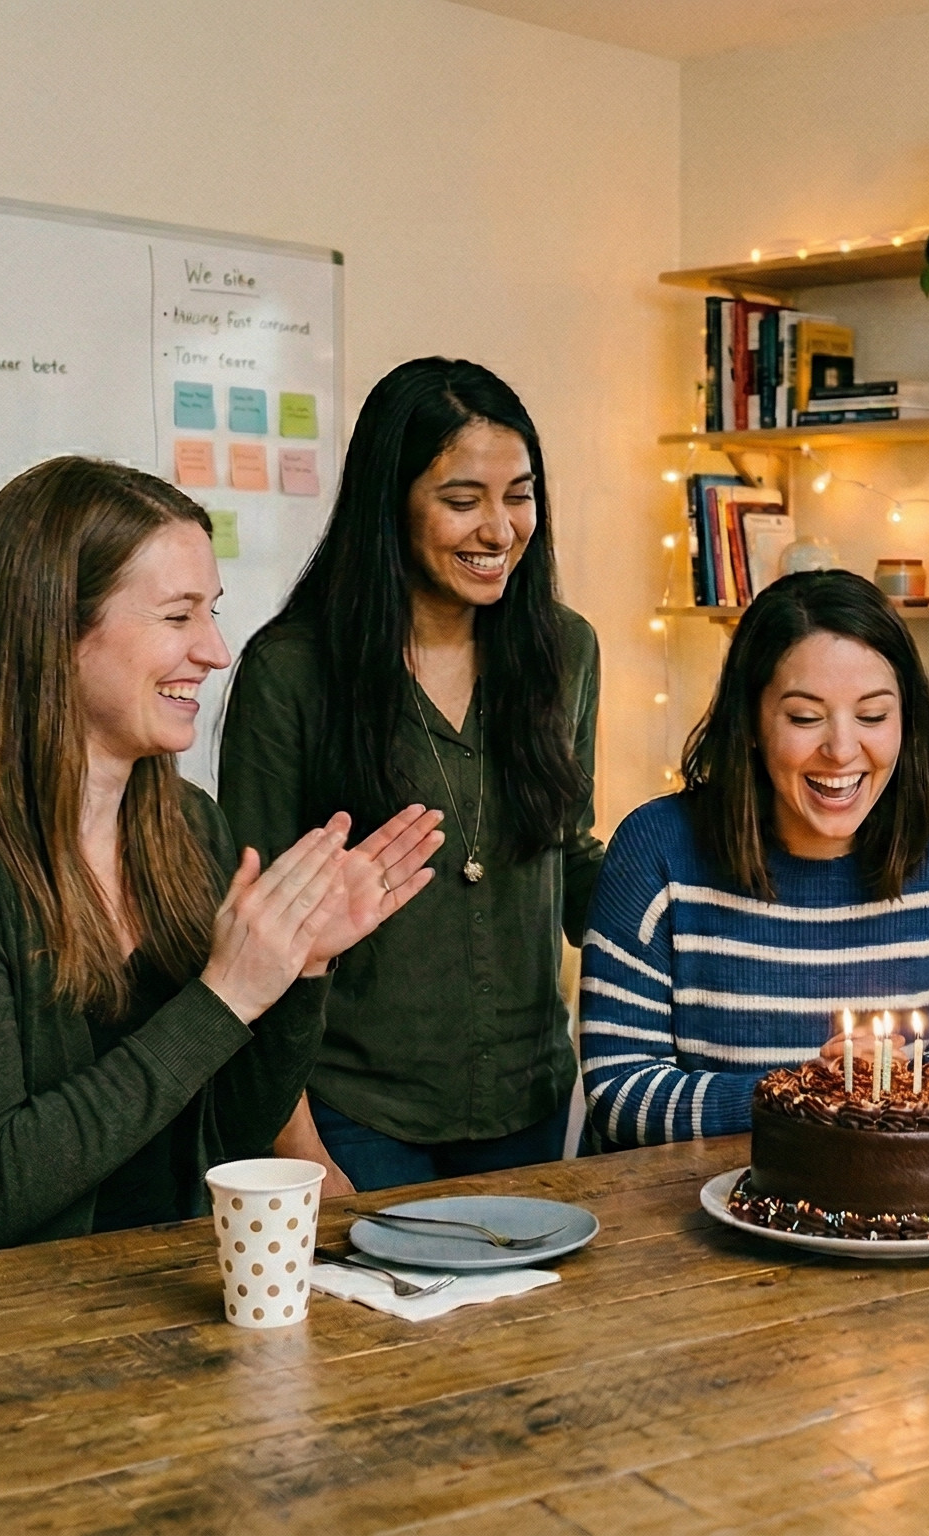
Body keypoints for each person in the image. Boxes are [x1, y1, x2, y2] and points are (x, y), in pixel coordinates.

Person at [0, 457, 443, 1279]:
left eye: (212, 612)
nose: (215, 651)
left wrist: (301, 970)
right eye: (178, 616)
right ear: (55, 631)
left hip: (140, 1296)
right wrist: (225, 996)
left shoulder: (187, 828)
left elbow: (228, 1137)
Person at [220, 358, 602, 1193]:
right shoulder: (290, 671)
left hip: (532, 1105)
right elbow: (252, 929)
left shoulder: (565, 651)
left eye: (520, 495)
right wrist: (297, 1150)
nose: (499, 530)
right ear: (389, 503)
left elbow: (572, 857)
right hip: (355, 1118)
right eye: (462, 501)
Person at [580, 571, 929, 1145]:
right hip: (690, 1198)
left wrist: (898, 1082)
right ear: (751, 722)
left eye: (873, 716)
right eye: (805, 718)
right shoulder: (657, 848)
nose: (842, 750)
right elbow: (618, 1094)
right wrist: (808, 1095)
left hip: (888, 1193)